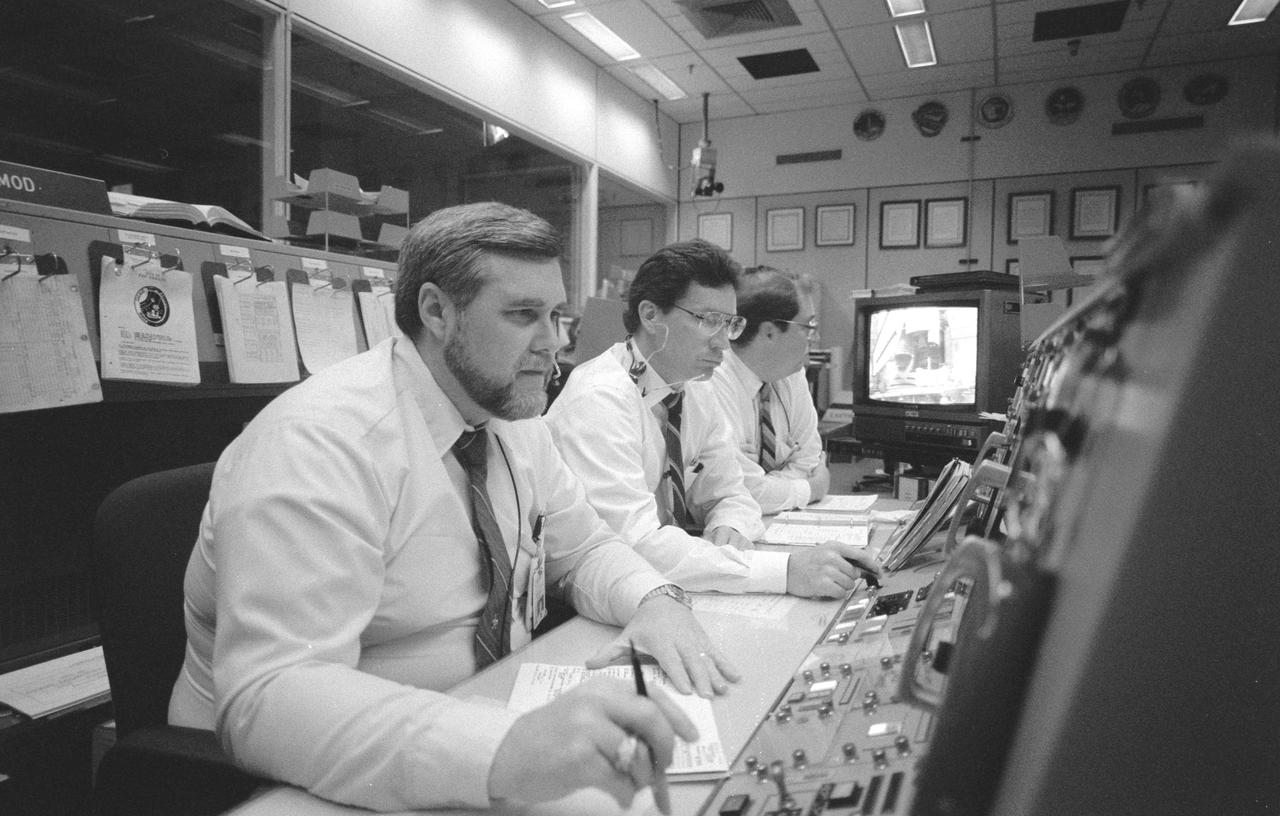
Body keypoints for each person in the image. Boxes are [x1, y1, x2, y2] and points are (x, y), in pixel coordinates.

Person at [168, 203, 739, 814]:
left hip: (475, 717)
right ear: (437, 311)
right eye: (524, 316)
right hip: (310, 770)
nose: (555, 345)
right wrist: (502, 749)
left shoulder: (510, 420)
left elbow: (587, 548)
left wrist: (656, 601)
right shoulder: (321, 444)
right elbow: (270, 696)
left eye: (556, 316)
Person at [544, 240, 880, 598]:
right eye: (709, 321)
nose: (724, 343)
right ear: (651, 315)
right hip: (582, 601)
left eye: (730, 324)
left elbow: (734, 494)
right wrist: (783, 571)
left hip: (669, 583)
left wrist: (730, 526)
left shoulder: (692, 389)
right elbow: (633, 546)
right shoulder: (600, 398)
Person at [708, 265, 829, 514]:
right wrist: (811, 490)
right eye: (808, 327)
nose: (813, 339)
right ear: (769, 332)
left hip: (775, 523)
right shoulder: (711, 381)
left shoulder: (791, 373)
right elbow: (736, 491)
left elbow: (810, 460)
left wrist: (768, 490)